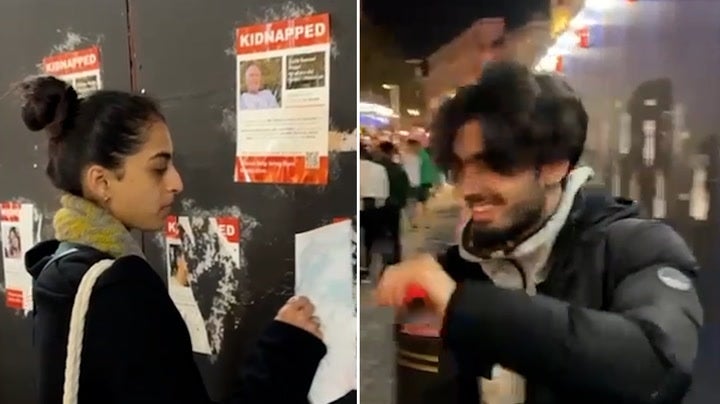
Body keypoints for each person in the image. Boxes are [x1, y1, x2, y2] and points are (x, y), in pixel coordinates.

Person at [376, 61, 702, 404]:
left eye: (493, 165)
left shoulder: (635, 248)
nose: (467, 189)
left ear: (555, 166)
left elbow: (657, 370)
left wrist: (464, 306)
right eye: (459, 168)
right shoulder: (453, 271)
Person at [21, 76, 325, 404]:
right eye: (158, 168)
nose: (176, 182)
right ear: (102, 181)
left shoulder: (58, 268)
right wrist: (287, 349)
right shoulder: (119, 291)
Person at [376, 141, 410, 265]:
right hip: (393, 205)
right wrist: (401, 203)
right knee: (393, 234)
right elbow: (404, 188)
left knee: (378, 233)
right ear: (391, 153)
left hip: (377, 204)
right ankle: (393, 261)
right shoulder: (397, 169)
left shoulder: (375, 166)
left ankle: (376, 260)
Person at [359, 145, 389, 281]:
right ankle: (366, 268)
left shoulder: (350, 166)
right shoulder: (379, 169)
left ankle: (358, 268)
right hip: (374, 207)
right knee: (369, 240)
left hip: (356, 205)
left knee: (355, 237)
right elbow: (385, 191)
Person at [400, 139, 422, 229]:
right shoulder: (407, 157)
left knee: (410, 202)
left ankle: (410, 220)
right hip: (411, 183)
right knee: (411, 202)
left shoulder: (415, 157)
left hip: (411, 183)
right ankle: (411, 221)